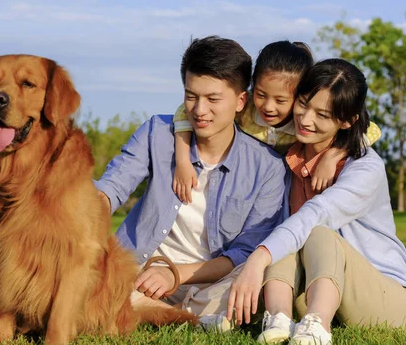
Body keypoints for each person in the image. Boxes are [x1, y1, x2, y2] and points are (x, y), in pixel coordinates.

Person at [226, 59, 406, 345]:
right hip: (319, 288)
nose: (306, 119)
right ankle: (279, 320)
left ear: (347, 121)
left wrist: (259, 259)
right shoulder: (288, 157)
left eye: (322, 114)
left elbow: (316, 214)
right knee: (285, 233)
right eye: (304, 104)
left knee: (314, 229)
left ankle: (317, 327)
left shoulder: (364, 168)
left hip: (386, 301)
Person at [94, 36, 290, 315]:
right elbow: (113, 185)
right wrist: (88, 210)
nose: (199, 110)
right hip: (136, 271)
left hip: (209, 281)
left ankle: (149, 308)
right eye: (191, 96)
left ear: (240, 101)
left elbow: (245, 251)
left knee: (251, 284)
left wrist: (173, 274)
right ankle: (148, 305)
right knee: (94, 271)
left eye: (213, 99)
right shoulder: (157, 133)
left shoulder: (267, 167)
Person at [172, 41, 381, 205]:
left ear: (300, 95)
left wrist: (332, 155)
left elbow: (371, 131)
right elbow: (184, 111)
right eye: (261, 94)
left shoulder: (302, 124)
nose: (268, 107)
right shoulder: (245, 110)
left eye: (281, 100)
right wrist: (183, 161)